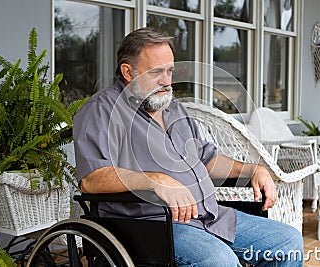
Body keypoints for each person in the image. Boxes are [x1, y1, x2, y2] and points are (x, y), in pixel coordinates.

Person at [73, 27, 304, 266]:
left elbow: (207, 159)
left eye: (170, 71)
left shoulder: (174, 108)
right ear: (128, 72)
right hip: (153, 226)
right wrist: (154, 180)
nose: (166, 81)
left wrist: (253, 170)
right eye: (156, 72)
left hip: (210, 216)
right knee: (220, 261)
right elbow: (93, 179)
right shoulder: (102, 110)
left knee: (287, 243)